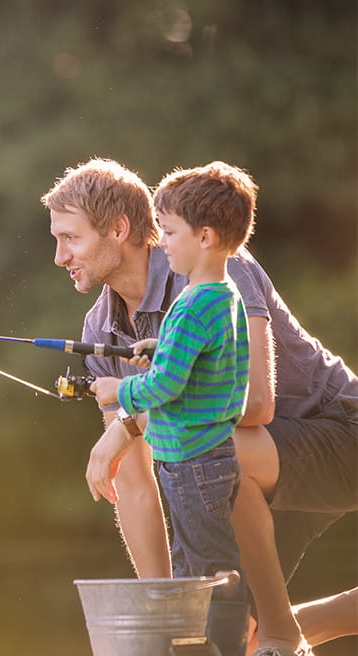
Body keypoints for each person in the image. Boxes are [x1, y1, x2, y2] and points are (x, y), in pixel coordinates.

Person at [40, 158, 358, 656]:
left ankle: (278, 632)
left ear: (119, 229)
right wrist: (164, 617)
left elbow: (254, 405)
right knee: (223, 636)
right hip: (250, 471)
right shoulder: (101, 329)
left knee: (207, 452)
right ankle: (275, 635)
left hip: (340, 433)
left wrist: (126, 424)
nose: (59, 256)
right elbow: (135, 479)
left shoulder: (215, 269)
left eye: (70, 238)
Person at [86, 162, 255, 656]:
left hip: (192, 463)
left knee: (209, 573)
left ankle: (222, 647)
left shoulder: (190, 303)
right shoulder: (222, 298)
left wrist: (120, 392)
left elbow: (165, 386)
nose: (163, 242)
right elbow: (203, 360)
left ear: (204, 237)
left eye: (171, 232)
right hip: (210, 457)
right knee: (196, 564)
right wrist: (162, 344)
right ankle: (197, 644)